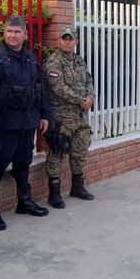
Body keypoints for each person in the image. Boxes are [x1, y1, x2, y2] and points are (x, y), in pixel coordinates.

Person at [0, 16, 51, 231]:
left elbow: (40, 88)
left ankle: (24, 202)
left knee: (23, 163)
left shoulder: (30, 58)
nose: (12, 35)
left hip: (27, 123)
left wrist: (44, 115)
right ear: (4, 33)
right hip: (2, 124)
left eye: (17, 32)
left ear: (25, 35)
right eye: (9, 31)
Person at [43, 27, 96, 208]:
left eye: (70, 39)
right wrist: (80, 100)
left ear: (76, 42)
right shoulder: (54, 60)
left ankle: (77, 187)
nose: (67, 41)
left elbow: (89, 81)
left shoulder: (79, 60)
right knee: (57, 152)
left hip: (80, 117)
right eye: (64, 39)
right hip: (62, 117)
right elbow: (58, 87)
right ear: (59, 41)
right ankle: (54, 193)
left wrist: (90, 98)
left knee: (79, 151)